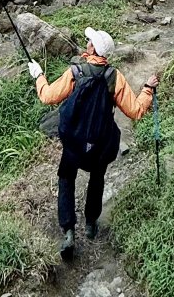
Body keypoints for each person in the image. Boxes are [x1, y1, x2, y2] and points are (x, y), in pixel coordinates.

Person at [28, 26, 159, 261]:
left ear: (92, 48)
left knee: (66, 177)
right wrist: (148, 89)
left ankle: (68, 230)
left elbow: (47, 96)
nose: (86, 42)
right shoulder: (113, 77)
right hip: (100, 143)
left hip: (74, 143)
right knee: (97, 178)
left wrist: (38, 74)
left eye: (89, 41)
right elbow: (136, 111)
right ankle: (90, 224)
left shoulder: (75, 71)